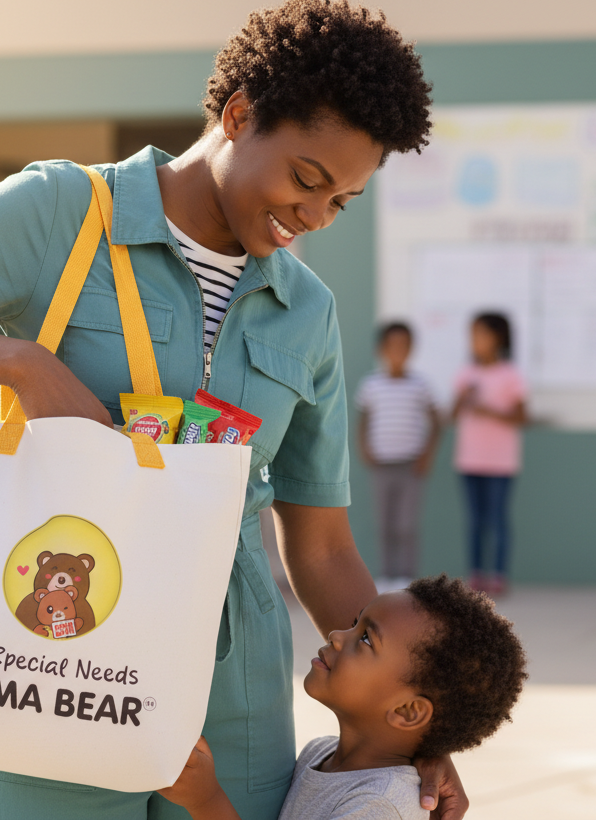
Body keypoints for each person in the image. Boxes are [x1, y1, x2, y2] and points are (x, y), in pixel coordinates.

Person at [0, 0, 471, 820]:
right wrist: (20, 363)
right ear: (239, 112)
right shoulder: (58, 213)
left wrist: (417, 737)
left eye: (340, 201)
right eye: (306, 178)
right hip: (49, 661)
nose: (312, 216)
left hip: (238, 698)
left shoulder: (309, 310)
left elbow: (323, 547)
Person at [157, 575, 527, 819]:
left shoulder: (380, 806)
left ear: (408, 710)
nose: (336, 634)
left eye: (365, 638)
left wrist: (205, 801)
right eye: (355, 622)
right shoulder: (319, 754)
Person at [356, 323, 442, 589]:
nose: (398, 352)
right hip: (382, 465)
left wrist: (428, 454)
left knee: (406, 524)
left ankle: (406, 578)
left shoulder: (421, 385)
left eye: (403, 346)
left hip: (410, 464)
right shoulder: (371, 385)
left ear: (411, 349)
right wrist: (364, 447)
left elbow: (437, 421)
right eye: (392, 346)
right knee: (385, 523)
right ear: (381, 350)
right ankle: (387, 576)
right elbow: (364, 419)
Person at [450, 313, 526, 597]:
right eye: (473, 335)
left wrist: (489, 411)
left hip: (500, 462)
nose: (476, 342)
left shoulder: (511, 375)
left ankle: (498, 575)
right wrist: (462, 397)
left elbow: (521, 416)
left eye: (482, 335)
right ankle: (476, 575)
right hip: (469, 460)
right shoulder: (465, 374)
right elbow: (452, 415)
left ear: (499, 339)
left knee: (497, 518)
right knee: (475, 520)